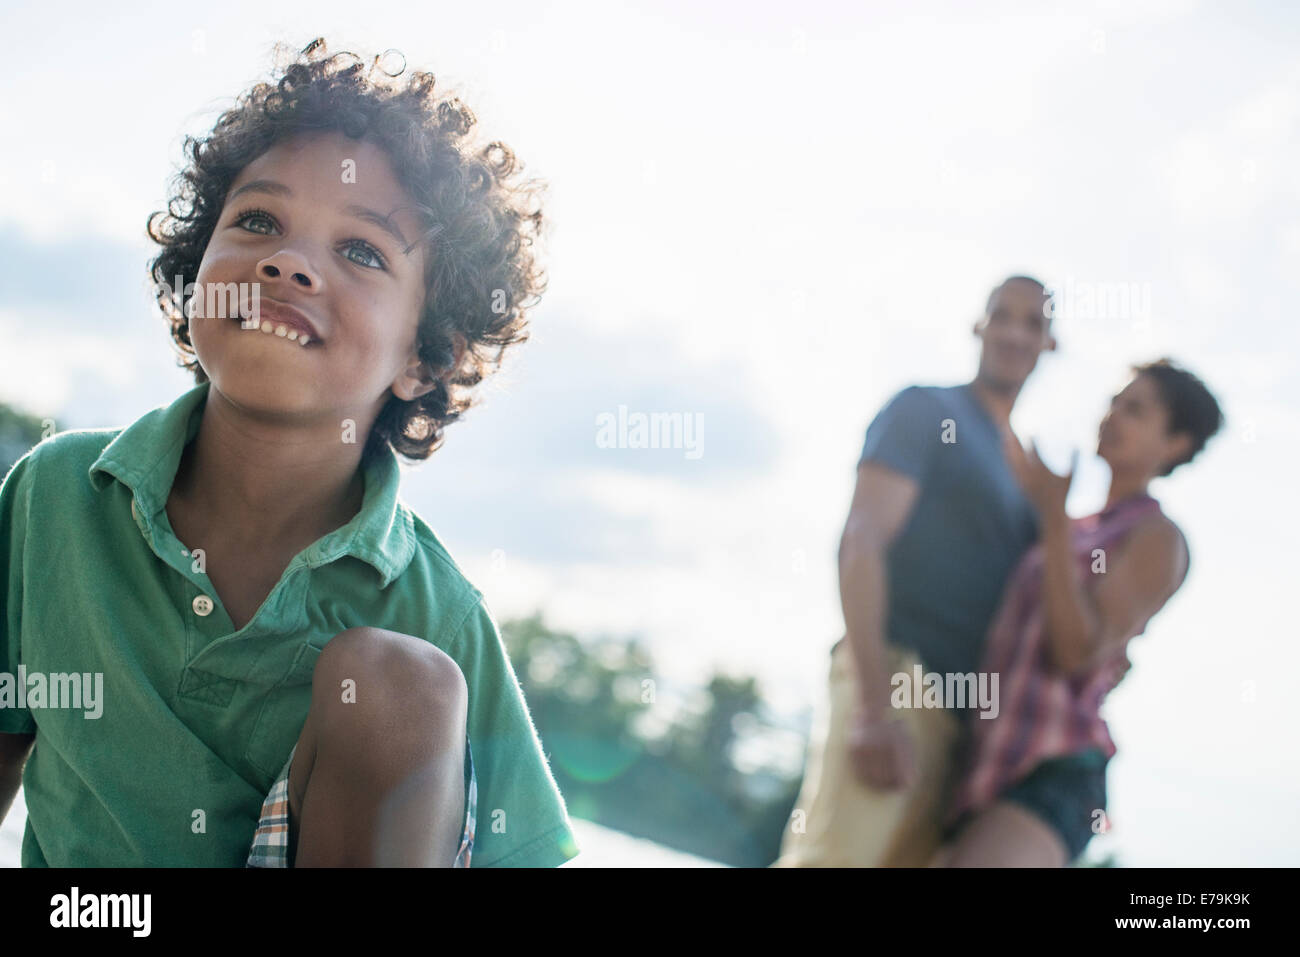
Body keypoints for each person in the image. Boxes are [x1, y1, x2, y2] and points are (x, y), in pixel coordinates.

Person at [0, 38, 578, 868]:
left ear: (426, 357)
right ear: (198, 264)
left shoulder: (440, 617)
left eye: (362, 251)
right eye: (259, 222)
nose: (288, 262)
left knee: (397, 685)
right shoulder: (55, 496)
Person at [774, 275, 1055, 867]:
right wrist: (875, 708)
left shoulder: (1031, 478)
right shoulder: (927, 409)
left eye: (1032, 321)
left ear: (1050, 342)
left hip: (961, 732)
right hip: (897, 686)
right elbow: (861, 541)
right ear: (978, 325)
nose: (1013, 331)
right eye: (1001, 314)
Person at [934, 359, 1223, 867]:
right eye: (1114, 402)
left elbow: (1076, 654)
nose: (1112, 415)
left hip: (1054, 772)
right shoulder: (1077, 525)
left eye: (1134, 410)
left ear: (1175, 444)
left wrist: (1051, 520)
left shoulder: (1158, 537)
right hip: (984, 768)